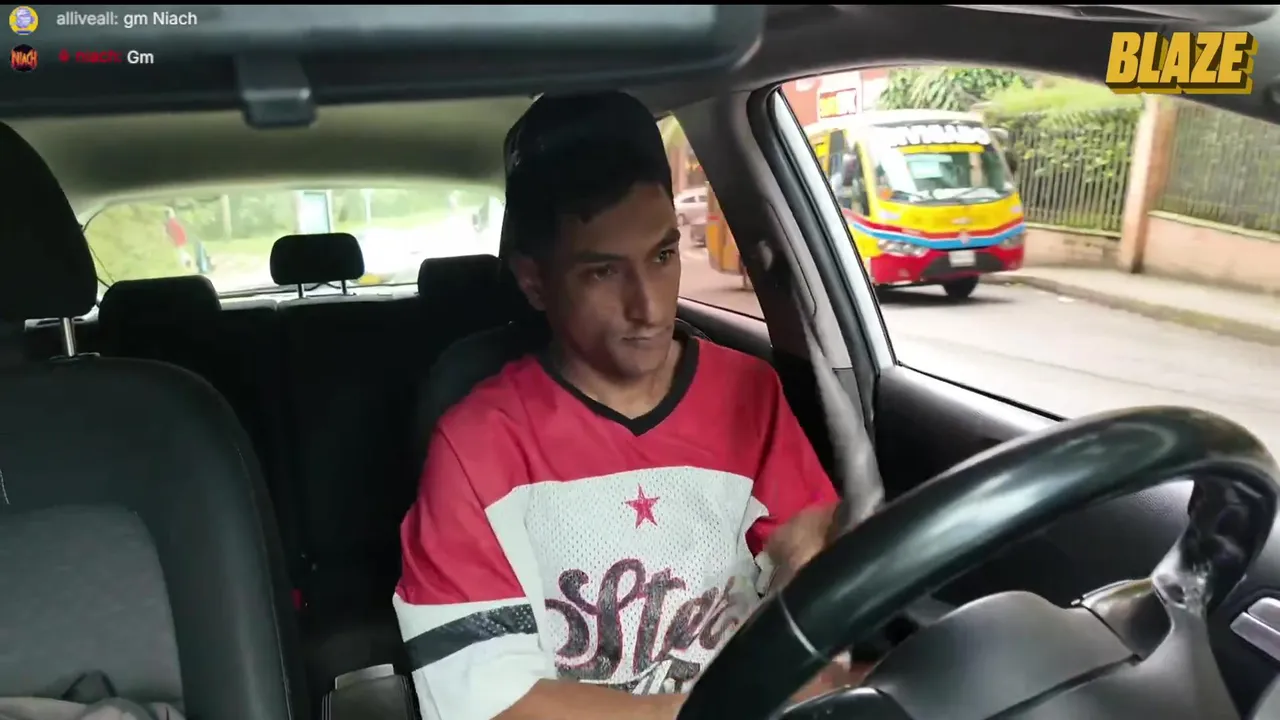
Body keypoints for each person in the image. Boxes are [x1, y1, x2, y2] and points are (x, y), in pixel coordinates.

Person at [395, 92, 864, 720]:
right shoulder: (475, 444)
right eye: (603, 272)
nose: (649, 308)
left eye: (663, 257)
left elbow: (810, 563)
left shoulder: (748, 393)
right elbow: (487, 698)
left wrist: (813, 637)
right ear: (534, 282)